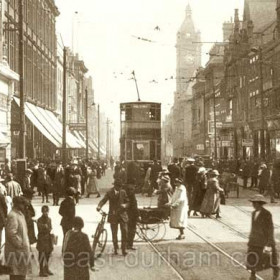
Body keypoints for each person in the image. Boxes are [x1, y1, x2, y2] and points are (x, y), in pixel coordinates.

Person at [246, 194, 279, 280]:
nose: (253, 205)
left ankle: (276, 270)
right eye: (253, 203)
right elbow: (253, 227)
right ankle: (253, 274)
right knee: (252, 258)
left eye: (255, 203)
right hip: (254, 240)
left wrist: (269, 242)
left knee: (268, 259)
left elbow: (270, 228)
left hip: (264, 240)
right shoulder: (253, 213)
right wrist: (250, 237)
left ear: (259, 204)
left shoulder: (267, 214)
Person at [97, 179, 130, 256]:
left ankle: (123, 249)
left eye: (120, 187)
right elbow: (103, 200)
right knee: (114, 233)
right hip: (113, 215)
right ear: (115, 186)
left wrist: (125, 205)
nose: (119, 188)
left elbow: (128, 202)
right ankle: (115, 248)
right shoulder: (109, 192)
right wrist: (99, 206)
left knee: (124, 232)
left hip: (122, 215)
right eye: (118, 187)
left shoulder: (123, 192)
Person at [5, 196, 31, 280]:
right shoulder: (13, 215)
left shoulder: (19, 214)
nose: (25, 207)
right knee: (16, 275)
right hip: (16, 251)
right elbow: (12, 233)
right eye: (23, 204)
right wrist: (20, 245)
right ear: (18, 205)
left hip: (20, 251)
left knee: (20, 274)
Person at [36, 205, 53, 277]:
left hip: (48, 238)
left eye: (47, 211)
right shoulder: (39, 220)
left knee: (48, 253)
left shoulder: (49, 219)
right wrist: (44, 227)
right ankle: (41, 270)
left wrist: (47, 228)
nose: (45, 213)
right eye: (44, 211)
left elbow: (50, 228)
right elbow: (40, 229)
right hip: (42, 239)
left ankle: (46, 268)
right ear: (42, 211)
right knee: (41, 254)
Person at [126, 185, 139, 250]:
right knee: (132, 231)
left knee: (128, 230)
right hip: (132, 217)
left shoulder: (127, 196)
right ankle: (129, 245)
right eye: (131, 189)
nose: (132, 191)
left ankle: (127, 244)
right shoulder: (132, 197)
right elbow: (135, 208)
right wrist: (138, 216)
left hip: (127, 216)